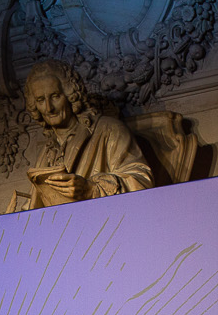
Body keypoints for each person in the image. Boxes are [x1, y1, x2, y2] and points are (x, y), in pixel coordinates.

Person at [8, 60, 153, 211]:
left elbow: (142, 181)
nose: (49, 108)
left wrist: (91, 189)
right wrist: (12, 220)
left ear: (70, 94)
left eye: (55, 96)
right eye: (40, 100)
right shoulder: (47, 152)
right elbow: (38, 206)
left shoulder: (108, 130)